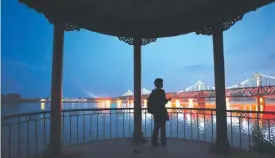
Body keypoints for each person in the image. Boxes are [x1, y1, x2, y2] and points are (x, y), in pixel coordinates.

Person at [149, 78, 171, 147]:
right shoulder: (162, 91)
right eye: (162, 83)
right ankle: (163, 142)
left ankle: (154, 141)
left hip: (156, 112)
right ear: (159, 84)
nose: (162, 84)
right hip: (162, 112)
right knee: (163, 128)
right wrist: (168, 100)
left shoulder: (153, 91)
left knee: (156, 128)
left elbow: (152, 100)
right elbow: (164, 101)